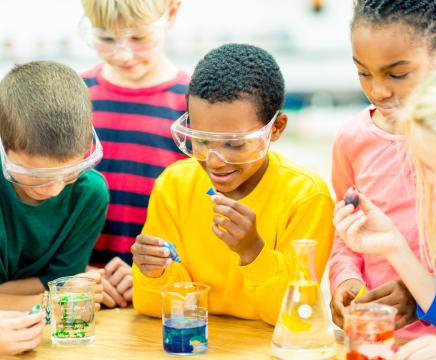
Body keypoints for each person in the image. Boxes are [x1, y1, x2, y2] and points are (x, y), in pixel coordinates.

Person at [131, 43, 334, 325]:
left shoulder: (306, 197)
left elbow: (295, 315)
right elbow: (152, 305)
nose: (215, 161)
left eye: (235, 144)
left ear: (276, 129)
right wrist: (153, 272)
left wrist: (252, 251)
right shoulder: (174, 185)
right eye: (201, 141)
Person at [329, 0, 436, 339]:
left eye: (397, 74)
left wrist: (422, 295)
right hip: (385, 339)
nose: (378, 91)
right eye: (363, 72)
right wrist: (346, 277)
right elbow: (347, 234)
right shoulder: (352, 140)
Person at [80, 0, 188, 308]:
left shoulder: (194, 106)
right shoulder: (75, 96)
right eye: (106, 38)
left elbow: (196, 211)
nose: (123, 54)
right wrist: (76, 272)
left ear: (171, 13)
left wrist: (152, 275)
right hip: (84, 291)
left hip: (160, 294)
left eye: (139, 38)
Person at [0, 61, 106, 311]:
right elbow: (63, 289)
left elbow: (60, 281)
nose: (53, 190)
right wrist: (55, 297)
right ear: (4, 147)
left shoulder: (88, 193)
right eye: (35, 175)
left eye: (69, 173)